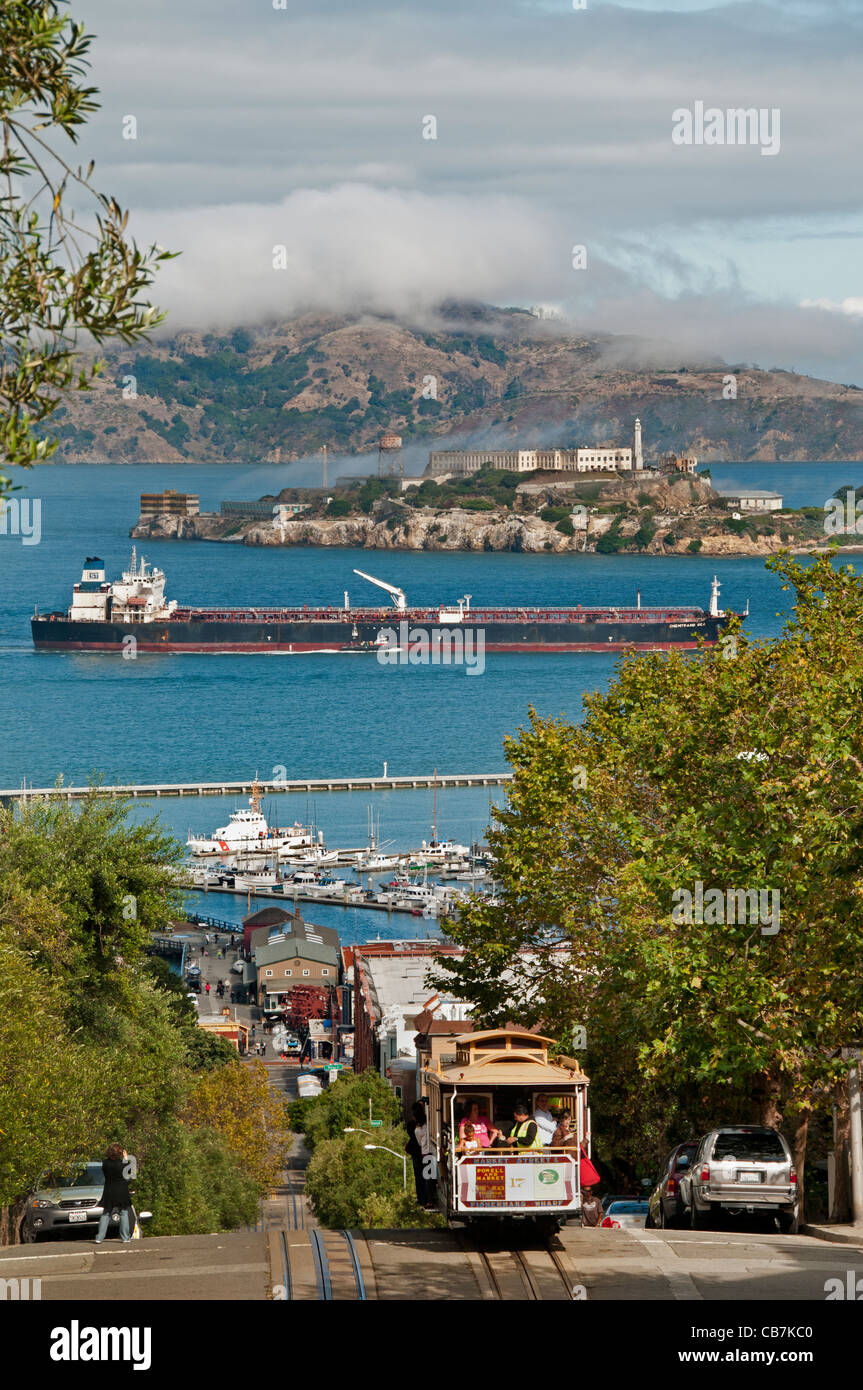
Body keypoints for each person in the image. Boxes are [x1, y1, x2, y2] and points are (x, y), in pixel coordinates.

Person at [94, 1143, 135, 1244]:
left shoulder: (105, 1164)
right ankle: (125, 1237)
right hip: (122, 1191)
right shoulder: (122, 1164)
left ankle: (99, 1237)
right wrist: (126, 1158)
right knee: (123, 1213)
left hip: (109, 1190)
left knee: (106, 1213)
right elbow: (128, 1171)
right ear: (120, 1153)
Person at [405, 1101, 428, 1205]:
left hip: (419, 1154)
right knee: (423, 1177)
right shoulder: (419, 1126)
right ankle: (424, 1198)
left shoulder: (414, 1126)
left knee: (420, 1177)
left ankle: (422, 1198)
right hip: (422, 1153)